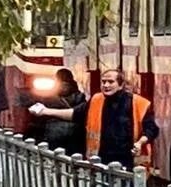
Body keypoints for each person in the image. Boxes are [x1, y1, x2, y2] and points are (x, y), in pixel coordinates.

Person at [30, 68, 158, 168]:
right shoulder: (96, 100)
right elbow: (75, 114)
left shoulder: (138, 103)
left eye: (110, 82)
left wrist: (140, 142)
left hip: (128, 160)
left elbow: (151, 129)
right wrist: (46, 111)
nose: (106, 85)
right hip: (100, 160)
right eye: (103, 82)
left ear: (121, 84)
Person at [38, 68, 86, 155]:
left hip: (53, 133)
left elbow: (41, 115)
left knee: (55, 159)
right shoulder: (79, 95)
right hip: (75, 134)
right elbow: (82, 114)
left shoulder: (49, 96)